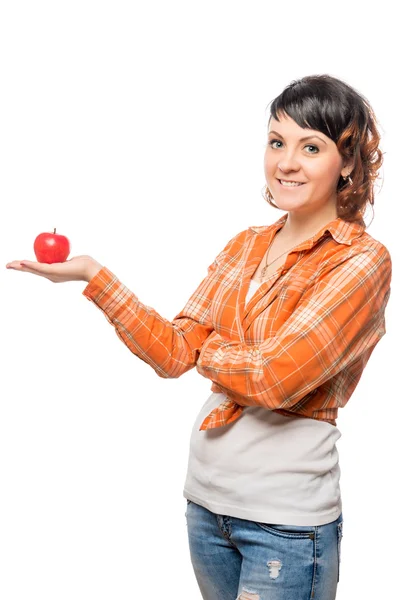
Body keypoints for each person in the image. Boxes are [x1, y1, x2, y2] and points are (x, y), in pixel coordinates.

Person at [6, 74, 392, 600]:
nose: (287, 162)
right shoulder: (245, 245)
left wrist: (206, 351)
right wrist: (94, 276)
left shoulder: (361, 260)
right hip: (207, 510)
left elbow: (275, 379)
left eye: (312, 147)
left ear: (347, 162)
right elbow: (171, 354)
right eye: (277, 142)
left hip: (286, 524)